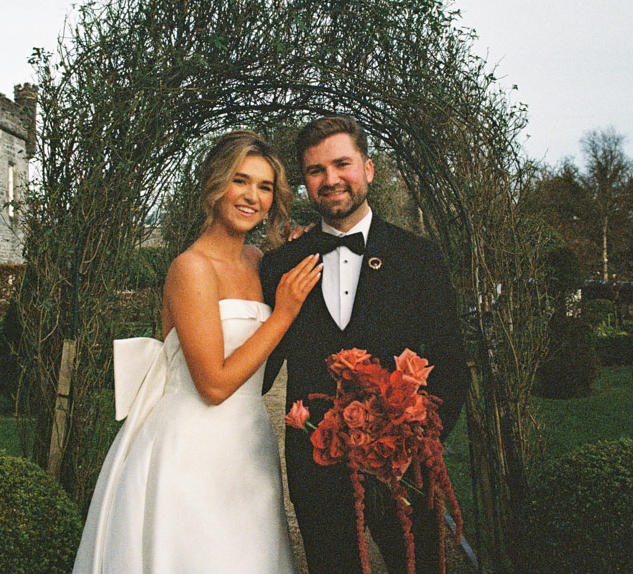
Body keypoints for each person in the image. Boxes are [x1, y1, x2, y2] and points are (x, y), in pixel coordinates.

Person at [73, 130, 321, 574]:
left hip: (249, 445)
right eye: (240, 180)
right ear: (214, 185)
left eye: (265, 186)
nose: (252, 196)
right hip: (192, 448)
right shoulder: (190, 268)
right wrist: (281, 313)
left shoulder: (258, 262)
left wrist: (300, 249)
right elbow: (213, 384)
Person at [261, 115, 470, 574]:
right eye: (316, 170)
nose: (330, 179)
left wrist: (413, 443)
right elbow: (259, 368)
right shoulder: (281, 265)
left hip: (407, 470)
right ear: (304, 181)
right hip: (316, 471)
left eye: (342, 164)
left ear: (369, 169)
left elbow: (451, 365)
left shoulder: (419, 257)